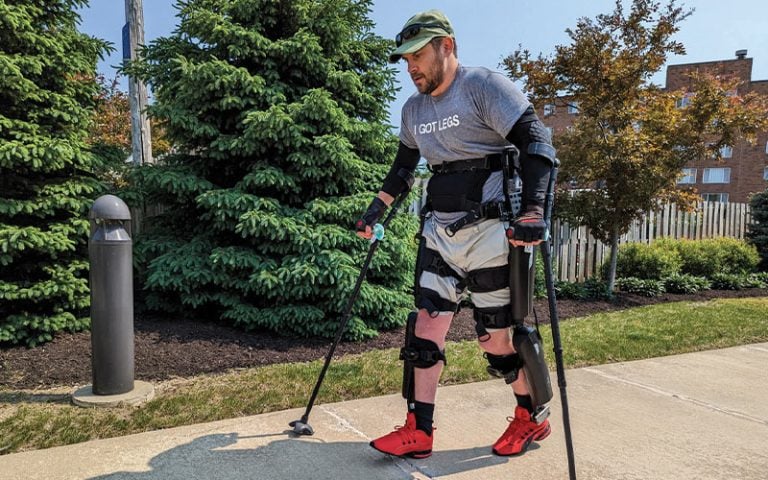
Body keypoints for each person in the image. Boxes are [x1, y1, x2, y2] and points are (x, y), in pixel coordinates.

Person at [355, 10, 557, 459]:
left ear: (446, 46)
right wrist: (376, 209)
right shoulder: (413, 110)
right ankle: (419, 429)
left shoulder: (484, 86)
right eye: (406, 59)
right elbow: (402, 170)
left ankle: (530, 417)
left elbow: (536, 143)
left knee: (497, 340)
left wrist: (535, 209)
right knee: (425, 329)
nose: (411, 67)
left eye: (418, 55)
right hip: (438, 233)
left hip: (492, 233)